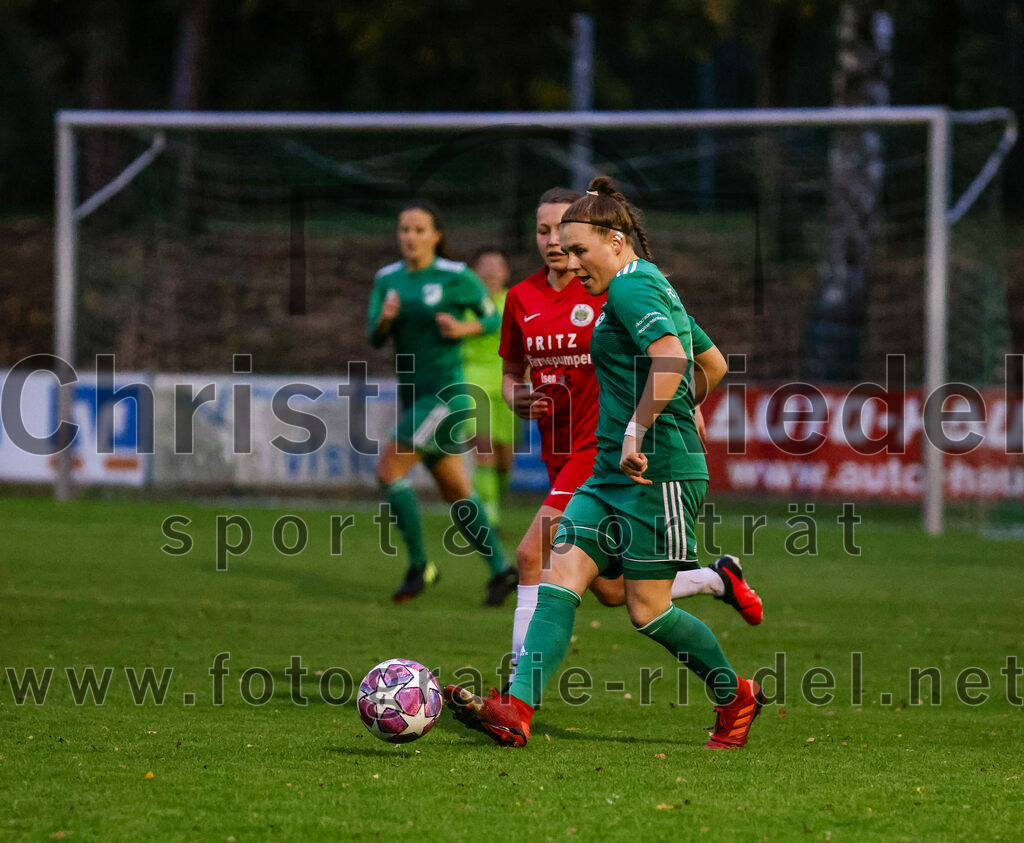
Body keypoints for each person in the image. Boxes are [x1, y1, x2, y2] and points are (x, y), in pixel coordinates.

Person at [445, 177, 765, 750]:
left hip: (657, 473)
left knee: (647, 611)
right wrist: (677, 407)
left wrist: (644, 427)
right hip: (612, 470)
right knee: (560, 575)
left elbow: (673, 356)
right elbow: (711, 364)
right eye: (562, 250)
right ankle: (516, 709)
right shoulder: (652, 283)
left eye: (578, 249)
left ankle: (733, 693)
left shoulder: (629, 290)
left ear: (614, 241)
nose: (569, 261)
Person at [367, 200, 518, 606]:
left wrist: (464, 327)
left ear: (436, 236)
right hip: (415, 396)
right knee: (457, 493)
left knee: (388, 469)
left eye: (419, 230)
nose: (410, 237)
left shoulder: (456, 277)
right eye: (404, 230)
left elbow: (493, 318)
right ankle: (502, 571)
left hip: (447, 395)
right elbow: (375, 336)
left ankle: (419, 566)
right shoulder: (388, 278)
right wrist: (385, 318)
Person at [461, 247, 516, 528]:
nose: (491, 271)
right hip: (472, 381)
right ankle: (488, 516)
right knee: (484, 448)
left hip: (508, 382)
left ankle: (492, 497)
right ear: (475, 272)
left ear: (505, 272)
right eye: (485, 266)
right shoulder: (463, 303)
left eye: (497, 265)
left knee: (505, 458)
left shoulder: (515, 301)